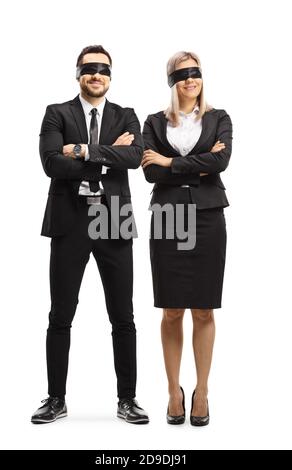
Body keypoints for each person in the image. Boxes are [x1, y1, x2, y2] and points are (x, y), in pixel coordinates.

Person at [31, 45, 149, 425]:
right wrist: (106, 155)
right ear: (78, 73)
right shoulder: (56, 113)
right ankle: (55, 398)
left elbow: (134, 158)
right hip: (70, 220)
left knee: (123, 315)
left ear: (111, 76)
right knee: (60, 314)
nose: (96, 75)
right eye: (89, 69)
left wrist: (81, 151)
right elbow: (51, 163)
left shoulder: (126, 115)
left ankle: (127, 399)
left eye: (103, 69)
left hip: (113, 218)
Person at [142, 50, 233, 426]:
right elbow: (150, 173)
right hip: (167, 216)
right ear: (171, 81)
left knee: (204, 309)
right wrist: (184, 167)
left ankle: (203, 391)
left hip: (209, 217)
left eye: (195, 73)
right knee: (171, 310)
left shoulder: (219, 118)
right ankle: (173, 390)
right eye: (181, 74)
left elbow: (221, 162)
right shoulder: (153, 121)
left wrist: (170, 163)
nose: (190, 79)